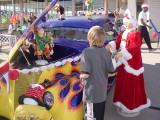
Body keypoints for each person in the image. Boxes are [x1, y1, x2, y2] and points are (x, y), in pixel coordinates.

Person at [106, 10, 151, 117]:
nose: (126, 24)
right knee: (122, 83)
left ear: (134, 23)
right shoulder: (123, 33)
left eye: (128, 22)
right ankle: (121, 102)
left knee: (131, 85)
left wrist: (121, 54)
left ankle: (131, 105)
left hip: (132, 65)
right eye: (125, 22)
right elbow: (117, 42)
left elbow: (134, 47)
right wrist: (111, 45)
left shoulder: (136, 34)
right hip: (123, 64)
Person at [80, 26, 115, 120]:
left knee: (91, 116)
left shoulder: (87, 52)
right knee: (99, 116)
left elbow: (86, 74)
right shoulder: (106, 52)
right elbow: (112, 72)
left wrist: (79, 76)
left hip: (92, 93)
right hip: (102, 92)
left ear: (90, 38)